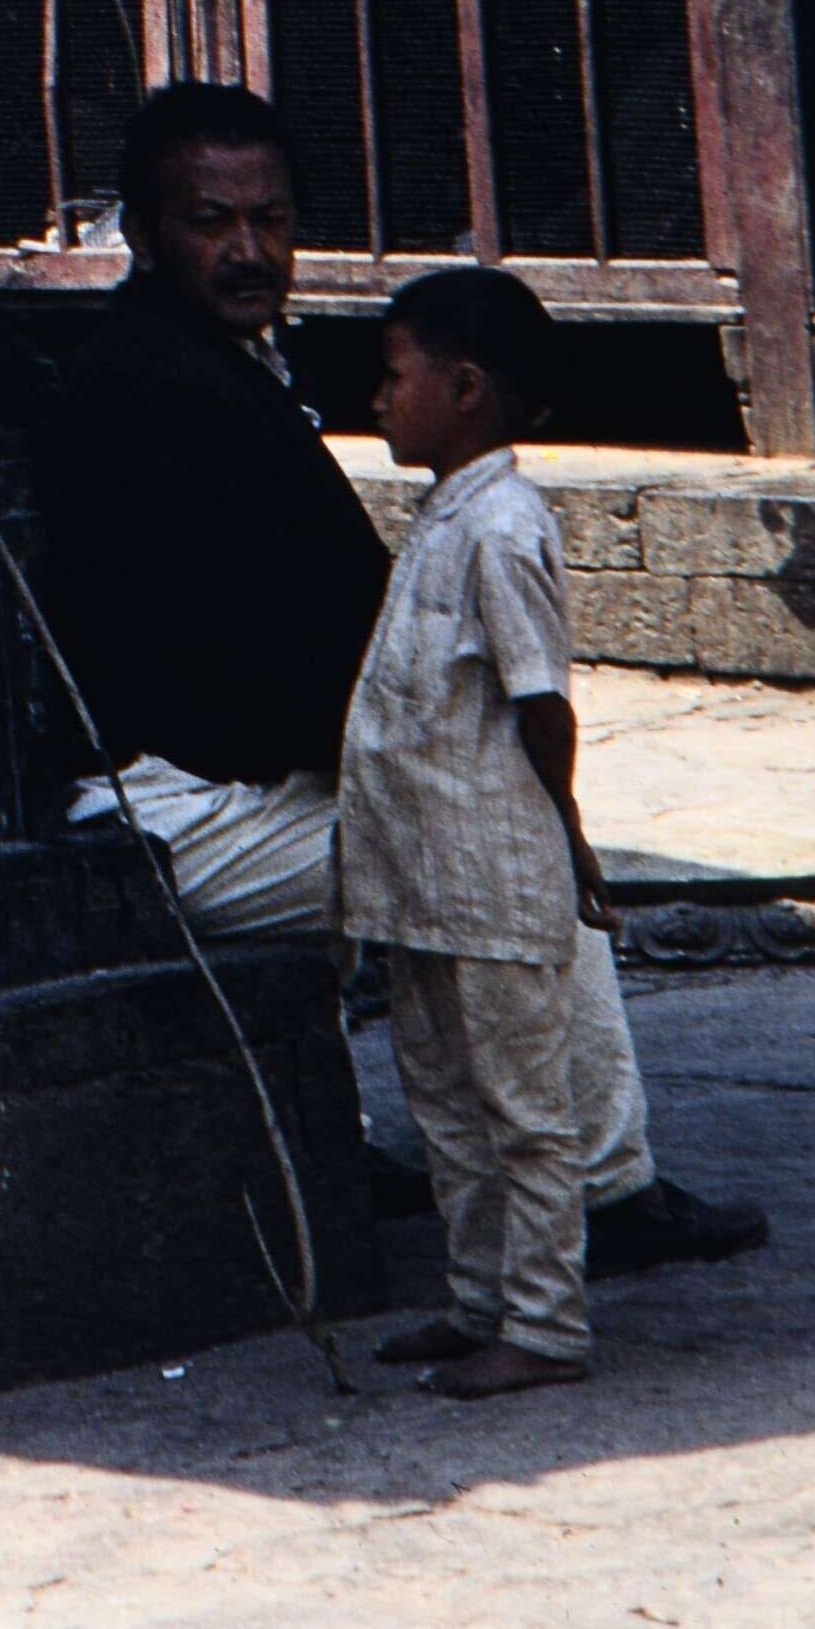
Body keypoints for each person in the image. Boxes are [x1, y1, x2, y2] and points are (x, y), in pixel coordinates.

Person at [29, 80, 759, 1273]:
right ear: (145, 235)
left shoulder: (208, 363)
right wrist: (445, 778)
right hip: (176, 809)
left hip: (231, 774)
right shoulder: (155, 388)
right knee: (523, 866)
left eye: (269, 218)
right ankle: (602, 1190)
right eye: (210, 222)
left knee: (459, 833)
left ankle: (422, 1153)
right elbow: (267, 658)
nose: (247, 249)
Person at [342, 264, 626, 1402]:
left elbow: (539, 700)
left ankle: (544, 1323)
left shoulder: (503, 526)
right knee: (447, 1105)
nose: (377, 397)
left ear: (462, 389)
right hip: (419, 871)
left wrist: (568, 831)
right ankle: (475, 1302)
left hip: (491, 870)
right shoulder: (442, 516)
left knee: (522, 1110)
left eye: (392, 375)